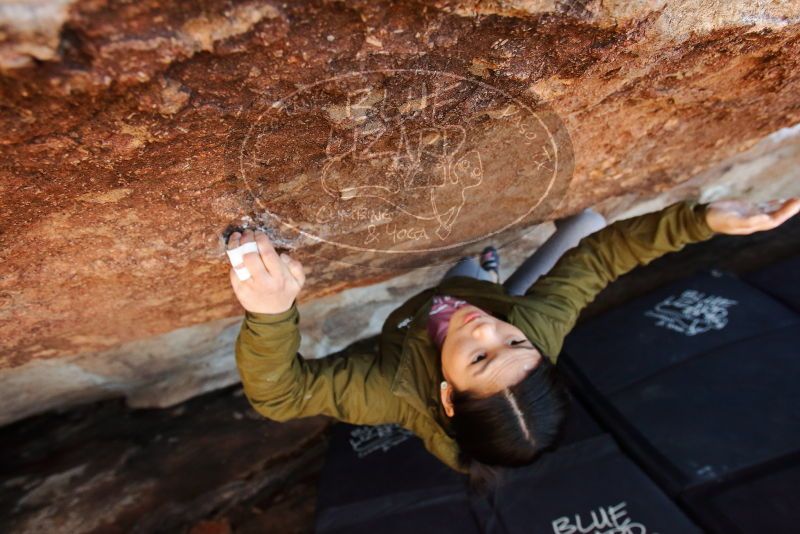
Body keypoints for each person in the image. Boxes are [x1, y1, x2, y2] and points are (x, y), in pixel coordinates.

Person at [227, 198, 800, 488]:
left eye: (480, 357)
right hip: (492, 296)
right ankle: (483, 274)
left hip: (420, 336)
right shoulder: (536, 327)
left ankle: (480, 273)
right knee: (582, 231)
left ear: (447, 397)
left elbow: (282, 396)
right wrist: (700, 221)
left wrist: (272, 312)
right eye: (512, 343)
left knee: (473, 280)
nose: (485, 330)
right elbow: (604, 258)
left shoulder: (388, 392)